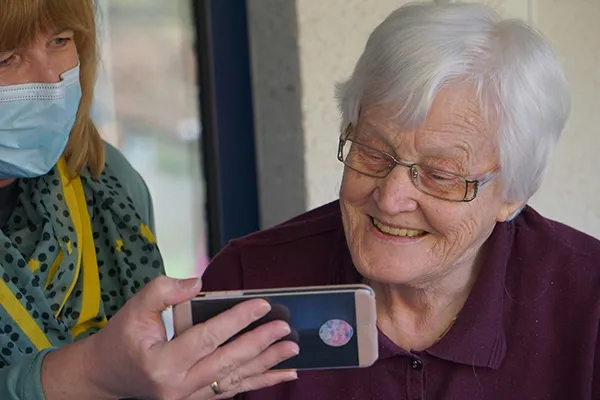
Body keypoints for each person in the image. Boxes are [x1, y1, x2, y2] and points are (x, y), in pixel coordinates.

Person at [201, 3, 600, 399]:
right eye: (373, 153)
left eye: (440, 176)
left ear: (512, 195)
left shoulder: (588, 302)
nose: (390, 199)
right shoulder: (249, 283)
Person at [0, 1, 298, 399]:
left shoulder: (105, 182)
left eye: (60, 40)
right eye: (6, 58)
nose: (52, 77)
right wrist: (91, 372)